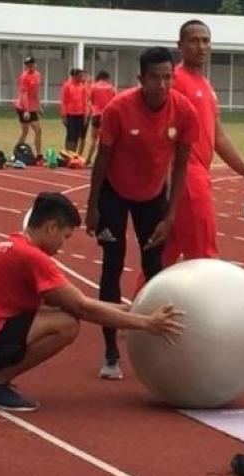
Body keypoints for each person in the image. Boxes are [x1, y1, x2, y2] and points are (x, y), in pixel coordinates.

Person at [0, 192, 184, 412]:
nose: (62, 245)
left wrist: (136, 310)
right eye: (64, 236)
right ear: (51, 227)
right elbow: (82, 307)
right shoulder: (31, 257)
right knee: (67, 324)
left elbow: (78, 301)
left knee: (62, 311)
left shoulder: (16, 245)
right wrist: (146, 323)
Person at [85, 47, 198, 380]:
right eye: (155, 77)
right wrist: (92, 208)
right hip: (114, 194)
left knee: (154, 268)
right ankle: (110, 352)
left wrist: (170, 215)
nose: (162, 84)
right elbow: (101, 161)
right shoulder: (119, 108)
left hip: (152, 196)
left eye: (168, 77)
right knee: (113, 264)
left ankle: (155, 338)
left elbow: (180, 167)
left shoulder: (183, 110)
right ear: (141, 78)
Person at [164, 20, 244, 265]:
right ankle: (202, 303)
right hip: (187, 176)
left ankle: (142, 302)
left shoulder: (206, 86)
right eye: (194, 41)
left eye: (206, 41)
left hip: (198, 172)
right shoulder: (174, 81)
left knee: (164, 253)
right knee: (203, 254)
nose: (201, 46)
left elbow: (218, 136)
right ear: (180, 46)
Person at [14, 56, 43, 164]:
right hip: (23, 106)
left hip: (32, 106)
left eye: (31, 64)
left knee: (38, 131)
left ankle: (39, 155)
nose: (30, 66)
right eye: (27, 65)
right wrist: (26, 110)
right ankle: (16, 152)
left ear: (35, 64)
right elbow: (24, 94)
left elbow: (36, 92)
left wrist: (39, 106)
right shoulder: (24, 77)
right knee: (25, 131)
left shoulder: (38, 75)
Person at [85, 70, 117, 166]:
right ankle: (103, 160)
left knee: (93, 139)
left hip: (96, 114)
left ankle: (88, 159)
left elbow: (90, 101)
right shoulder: (111, 88)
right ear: (107, 78)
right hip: (106, 115)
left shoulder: (93, 87)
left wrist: (93, 109)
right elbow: (115, 101)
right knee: (105, 140)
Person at [60, 68, 87, 153]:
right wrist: (63, 115)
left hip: (80, 114)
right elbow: (63, 101)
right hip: (70, 113)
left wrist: (85, 115)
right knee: (70, 134)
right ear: (75, 76)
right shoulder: (67, 86)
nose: (81, 77)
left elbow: (84, 102)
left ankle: (73, 153)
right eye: (80, 75)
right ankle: (68, 153)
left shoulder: (82, 86)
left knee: (76, 135)